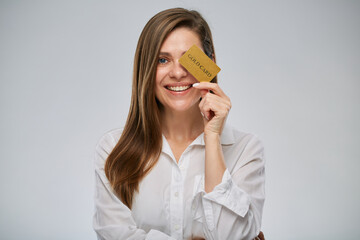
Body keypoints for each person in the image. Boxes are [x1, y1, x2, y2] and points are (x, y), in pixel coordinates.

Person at [93, 8, 265, 240]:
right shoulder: (113, 149)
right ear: (146, 69)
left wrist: (212, 136)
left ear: (208, 65)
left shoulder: (246, 149)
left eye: (189, 59)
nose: (177, 73)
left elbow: (233, 235)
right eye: (162, 60)